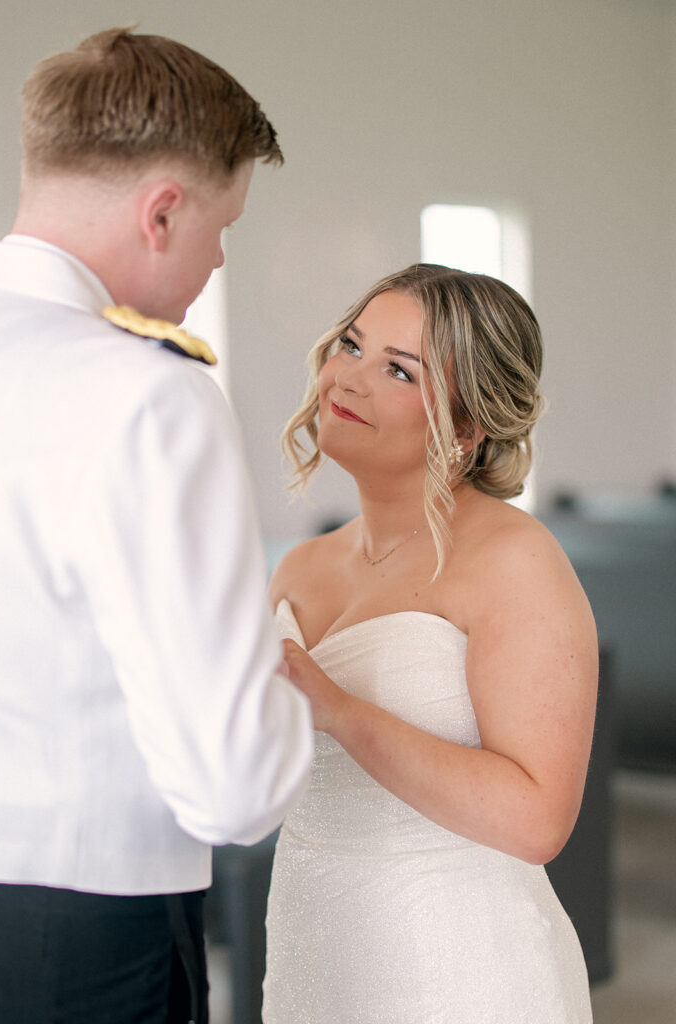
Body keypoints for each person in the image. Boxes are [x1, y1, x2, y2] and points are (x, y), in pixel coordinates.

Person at [0, 28, 313, 1024]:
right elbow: (233, 788)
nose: (218, 254)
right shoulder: (148, 398)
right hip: (78, 942)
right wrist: (291, 685)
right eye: (224, 226)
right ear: (164, 211)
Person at [263, 265, 598, 1023]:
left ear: (469, 424)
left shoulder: (513, 560)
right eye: (350, 345)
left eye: (396, 370)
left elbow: (537, 820)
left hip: (463, 966)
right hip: (313, 947)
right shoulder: (301, 567)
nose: (347, 379)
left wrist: (341, 712)